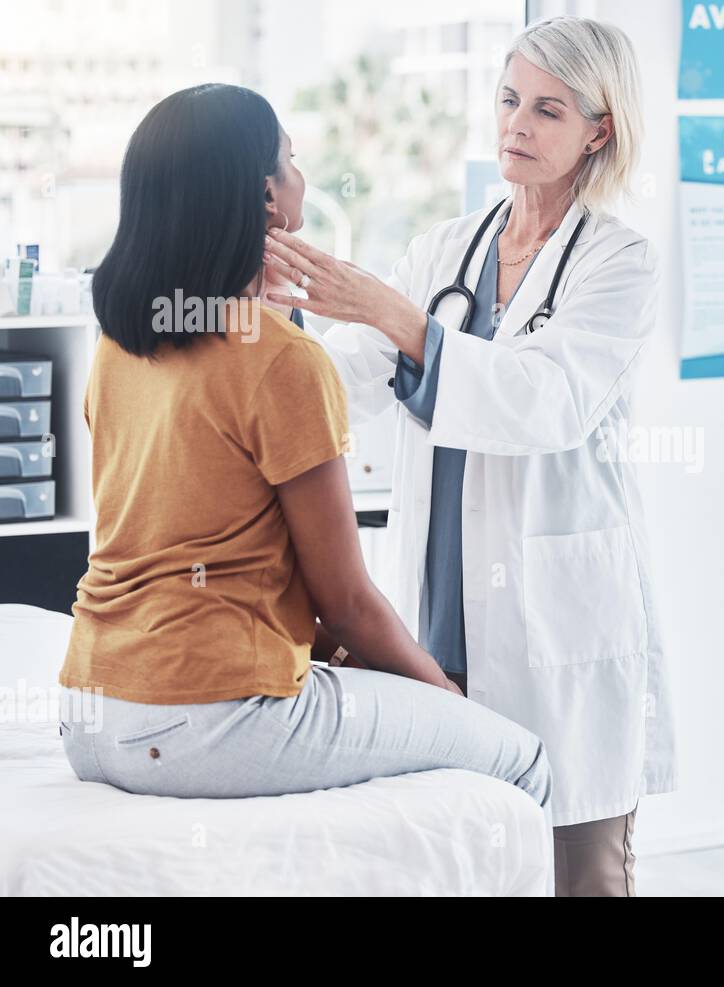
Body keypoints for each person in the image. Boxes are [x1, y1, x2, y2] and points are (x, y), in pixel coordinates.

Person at [57, 85, 554, 874]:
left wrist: (321, 649)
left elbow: (194, 545)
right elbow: (348, 600)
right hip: (207, 724)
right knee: (520, 758)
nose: (301, 176)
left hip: (91, 714)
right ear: (267, 196)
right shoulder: (284, 362)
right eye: (291, 160)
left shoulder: (121, 342)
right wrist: (446, 703)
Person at [264, 15, 677, 896]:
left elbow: (545, 402)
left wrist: (394, 313)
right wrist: (262, 335)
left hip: (556, 619)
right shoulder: (444, 250)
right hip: (440, 609)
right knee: (464, 862)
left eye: (549, 111)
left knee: (583, 872)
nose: (518, 126)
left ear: (599, 130)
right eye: (509, 101)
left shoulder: (619, 263)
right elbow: (345, 384)